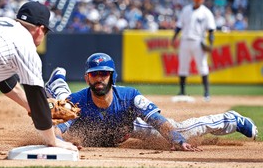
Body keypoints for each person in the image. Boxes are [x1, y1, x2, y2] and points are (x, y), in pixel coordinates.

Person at [44, 52, 257, 151]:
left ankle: (230, 120)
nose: (99, 78)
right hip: (93, 126)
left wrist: (177, 140)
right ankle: (58, 80)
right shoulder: (78, 101)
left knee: (181, 130)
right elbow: (58, 131)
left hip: (128, 126)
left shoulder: (130, 96)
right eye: (94, 74)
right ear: (87, 77)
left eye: (104, 74)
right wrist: (62, 143)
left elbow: (157, 120)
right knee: (63, 103)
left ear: (112, 76)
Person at [0, 1, 78, 151]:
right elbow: (36, 96)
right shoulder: (25, 45)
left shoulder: (3, 28)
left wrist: (30, 106)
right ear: (40, 29)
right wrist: (53, 141)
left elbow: (5, 80)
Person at [171, 0, 216, 101]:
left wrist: (210, 43)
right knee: (182, 66)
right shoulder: (186, 10)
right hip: (185, 41)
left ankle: (206, 93)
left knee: (202, 66)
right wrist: (174, 38)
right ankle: (182, 92)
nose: (197, 0)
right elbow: (179, 26)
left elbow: (211, 30)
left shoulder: (206, 12)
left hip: (198, 42)